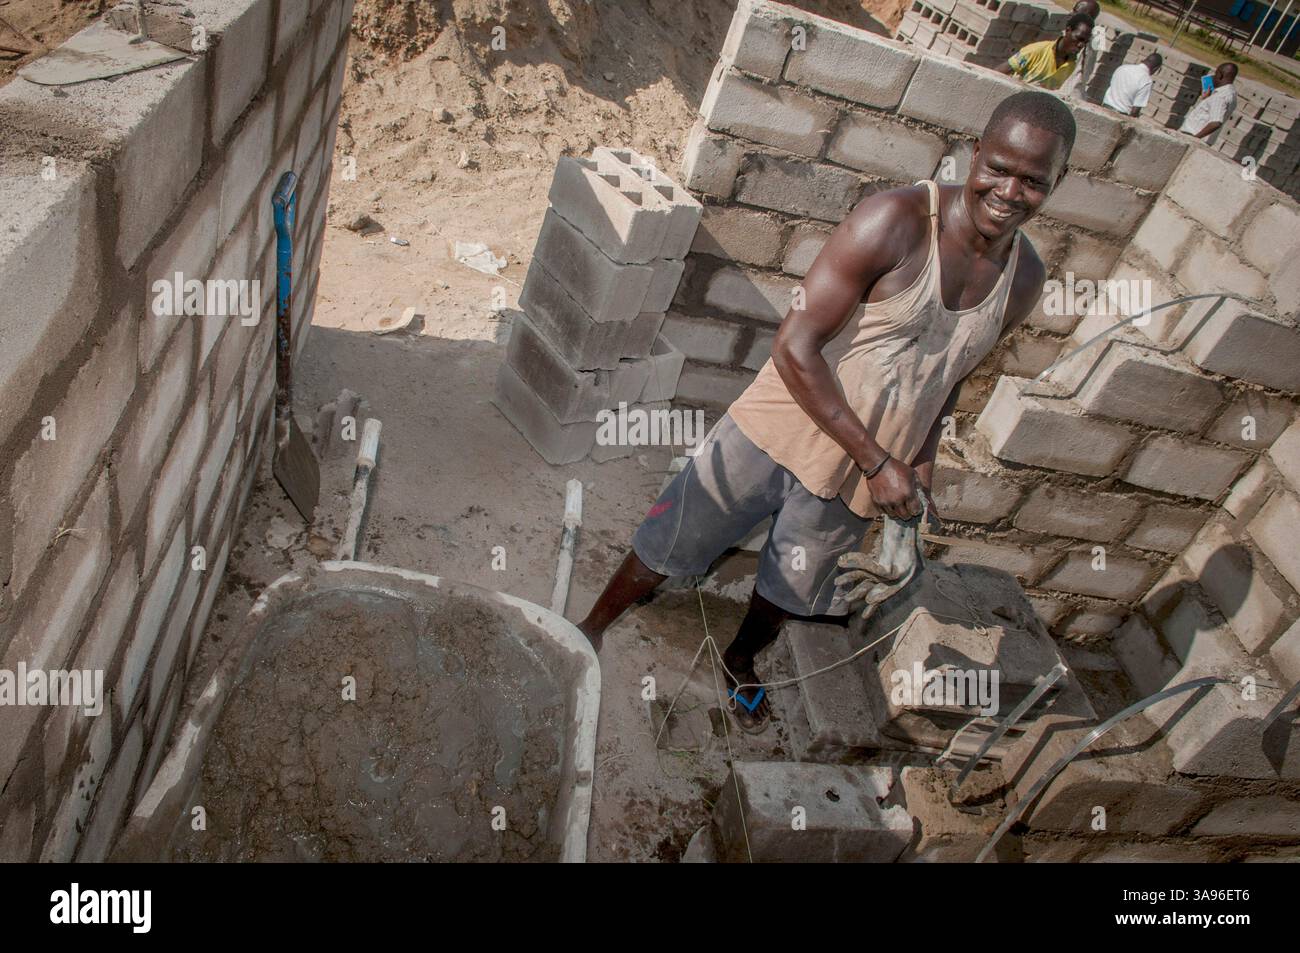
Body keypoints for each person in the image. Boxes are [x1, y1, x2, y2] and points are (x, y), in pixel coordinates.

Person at [577, 91, 1074, 733]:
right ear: (974, 153)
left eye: (1033, 181)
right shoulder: (894, 222)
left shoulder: (1024, 279)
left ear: (1057, 182)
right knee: (674, 537)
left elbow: (950, 377)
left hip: (867, 472)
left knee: (791, 582)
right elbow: (794, 345)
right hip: (780, 429)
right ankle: (592, 627)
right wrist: (878, 463)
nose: (1009, 192)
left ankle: (738, 660)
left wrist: (920, 468)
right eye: (999, 169)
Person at [999, 13, 1094, 91]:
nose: (1081, 45)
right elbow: (996, 74)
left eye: (1085, 42)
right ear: (1068, 30)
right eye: (1079, 38)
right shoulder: (1036, 50)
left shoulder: (1070, 65)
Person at [1179, 62, 1238, 146]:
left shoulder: (1220, 97)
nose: (1213, 77)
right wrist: (1207, 99)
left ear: (1220, 75)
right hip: (1199, 138)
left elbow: (1216, 122)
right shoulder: (1231, 93)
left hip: (1192, 136)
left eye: (1216, 73)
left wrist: (1194, 139)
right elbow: (1213, 110)